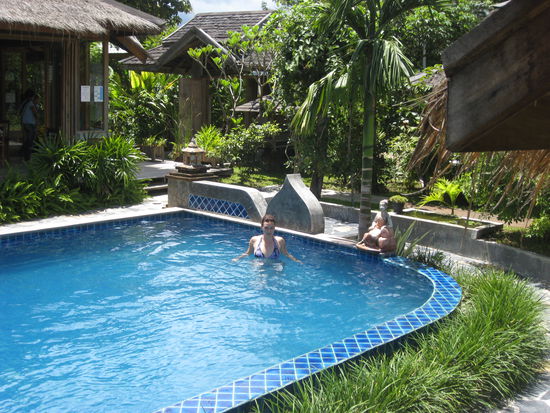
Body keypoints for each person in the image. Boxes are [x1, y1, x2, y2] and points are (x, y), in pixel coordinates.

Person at [233, 214, 301, 262]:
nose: (269, 231)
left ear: (274, 228)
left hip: (274, 271)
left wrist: (296, 261)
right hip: (259, 272)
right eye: (266, 228)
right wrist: (237, 258)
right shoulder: (254, 240)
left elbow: (286, 254)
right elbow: (248, 253)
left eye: (271, 228)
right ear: (262, 227)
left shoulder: (280, 241)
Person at [20, 89, 39, 161]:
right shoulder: (30, 103)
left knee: (28, 139)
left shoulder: (25, 103)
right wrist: (38, 119)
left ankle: (25, 153)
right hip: (29, 124)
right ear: (32, 96)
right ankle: (26, 155)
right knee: (30, 140)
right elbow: (35, 114)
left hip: (25, 123)